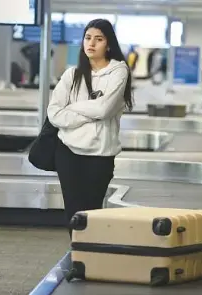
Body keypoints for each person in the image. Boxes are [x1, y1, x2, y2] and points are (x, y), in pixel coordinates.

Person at [47, 18, 134, 238]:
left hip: (100, 155)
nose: (91, 43)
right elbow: (55, 113)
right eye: (87, 38)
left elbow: (104, 109)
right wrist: (90, 112)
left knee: (92, 211)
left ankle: (91, 259)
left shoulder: (118, 72)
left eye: (98, 39)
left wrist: (73, 108)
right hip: (68, 152)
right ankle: (78, 259)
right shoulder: (72, 75)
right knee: (73, 213)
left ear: (109, 44)